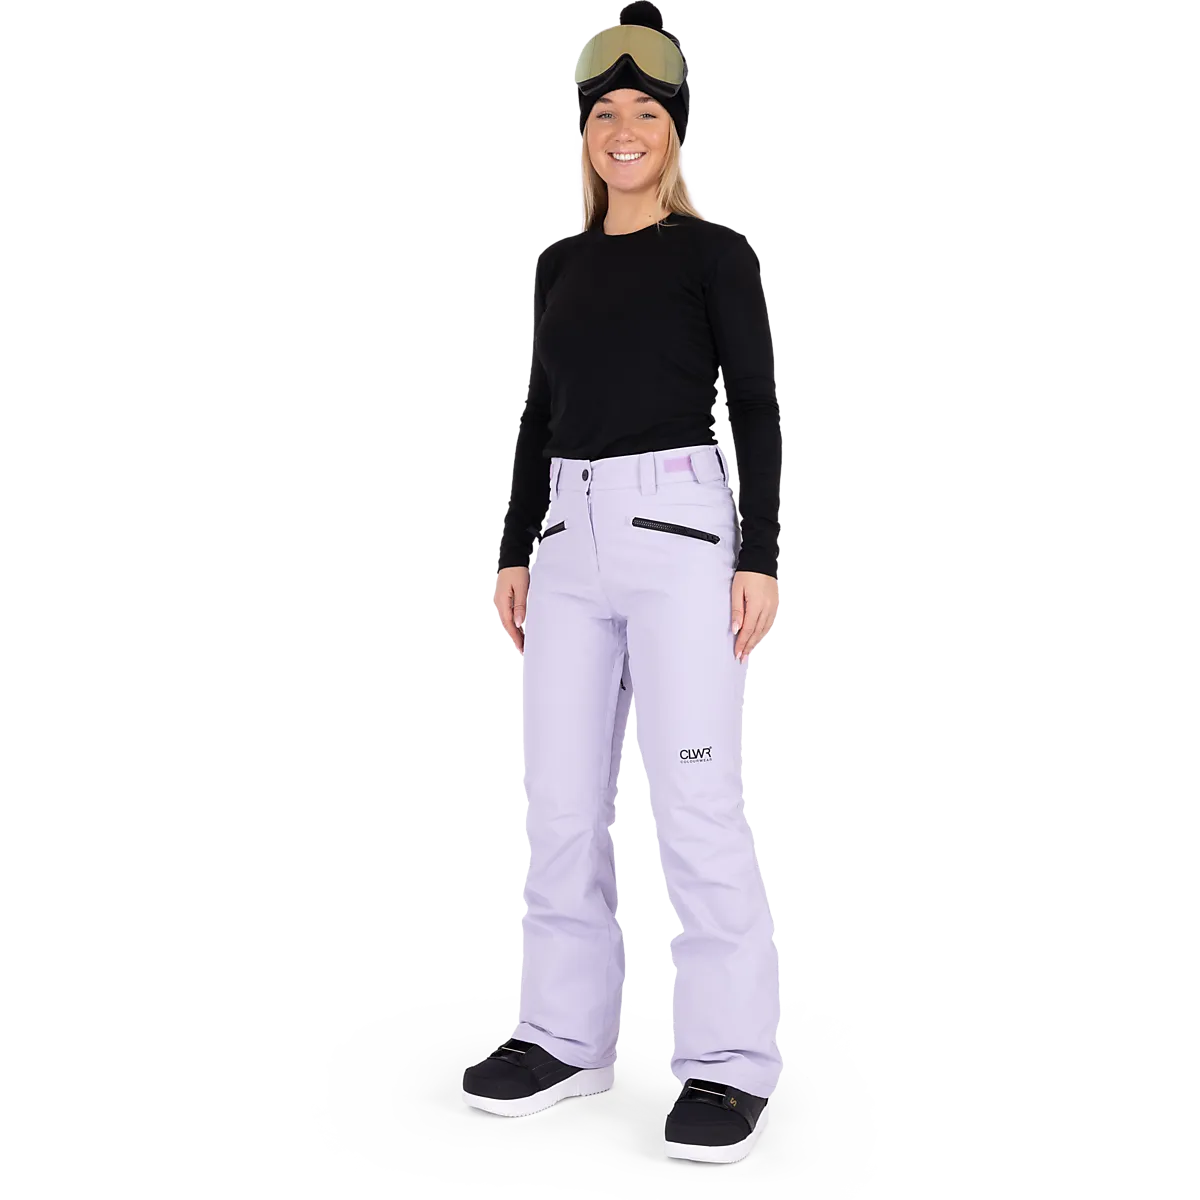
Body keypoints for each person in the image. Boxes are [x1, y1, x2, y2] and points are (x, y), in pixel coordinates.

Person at [470, 2, 783, 1165]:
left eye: (646, 113)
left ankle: (729, 1063)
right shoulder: (559, 265)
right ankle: (563, 1038)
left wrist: (760, 554)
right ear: (584, 132)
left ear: (676, 129)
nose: (625, 132)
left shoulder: (715, 255)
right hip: (566, 539)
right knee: (559, 804)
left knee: (695, 804)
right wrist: (515, 548)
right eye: (606, 113)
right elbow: (541, 410)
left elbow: (757, 405)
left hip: (678, 530)